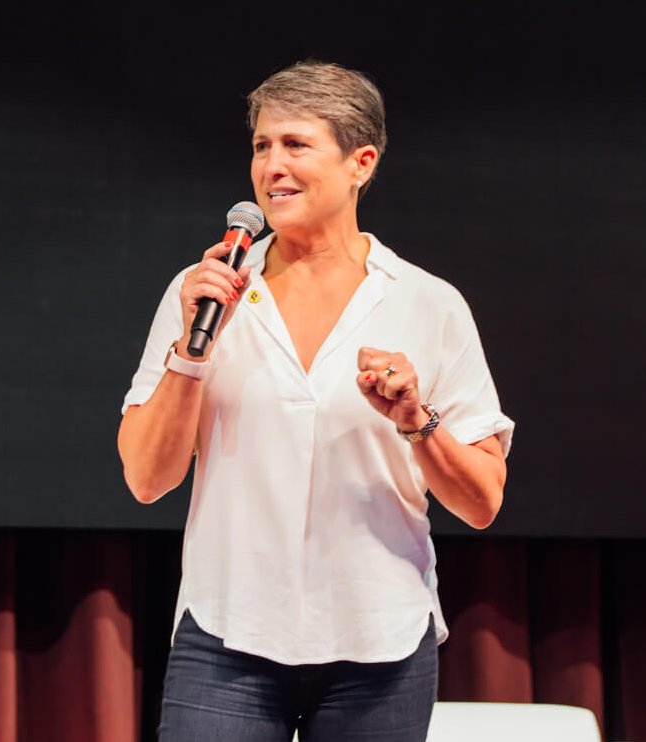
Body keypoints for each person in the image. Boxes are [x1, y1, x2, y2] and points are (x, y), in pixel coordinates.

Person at [117, 60, 514, 741]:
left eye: (295, 145)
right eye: (261, 146)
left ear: (360, 162)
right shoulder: (205, 293)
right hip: (227, 636)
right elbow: (147, 480)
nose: (272, 166)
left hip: (378, 643)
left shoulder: (427, 302)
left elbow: (481, 501)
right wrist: (190, 351)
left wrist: (416, 422)